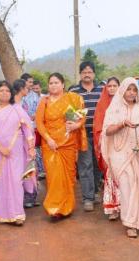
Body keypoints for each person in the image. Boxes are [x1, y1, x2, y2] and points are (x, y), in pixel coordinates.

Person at [101, 78, 139, 237]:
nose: (131, 92)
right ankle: (130, 223)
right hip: (119, 154)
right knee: (126, 186)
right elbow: (107, 131)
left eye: (134, 89)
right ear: (122, 90)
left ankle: (136, 220)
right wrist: (122, 124)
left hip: (137, 152)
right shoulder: (114, 109)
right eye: (129, 89)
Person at [0, 80, 35, 225]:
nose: (5, 93)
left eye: (7, 91)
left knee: (16, 181)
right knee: (3, 181)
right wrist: (0, 147)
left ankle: (18, 214)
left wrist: (30, 146)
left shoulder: (17, 108)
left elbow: (28, 128)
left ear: (11, 93)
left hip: (16, 151)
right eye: (1, 91)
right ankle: (4, 215)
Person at [36, 73, 87, 218]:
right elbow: (39, 123)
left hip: (68, 143)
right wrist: (48, 139)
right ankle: (54, 208)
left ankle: (67, 207)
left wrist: (76, 125)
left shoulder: (72, 98)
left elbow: (81, 117)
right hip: (50, 145)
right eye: (51, 83)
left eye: (56, 82)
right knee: (53, 178)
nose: (53, 85)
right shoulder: (44, 102)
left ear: (63, 84)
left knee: (69, 176)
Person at [69, 61, 103, 211]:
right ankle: (87, 198)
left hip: (100, 135)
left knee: (97, 165)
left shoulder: (102, 89)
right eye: (84, 72)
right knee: (85, 165)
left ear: (94, 74)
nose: (87, 74)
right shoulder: (73, 91)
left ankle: (96, 192)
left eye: (89, 72)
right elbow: (70, 114)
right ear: (80, 74)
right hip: (82, 134)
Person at [93, 77, 121, 220]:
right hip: (107, 144)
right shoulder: (102, 104)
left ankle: (125, 205)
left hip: (123, 145)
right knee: (110, 175)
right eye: (109, 86)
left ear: (119, 87)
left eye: (114, 85)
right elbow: (98, 124)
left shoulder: (126, 103)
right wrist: (99, 140)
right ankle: (113, 207)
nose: (111, 88)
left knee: (124, 175)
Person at [14, 79, 39, 208]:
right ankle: (27, 196)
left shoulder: (20, 104)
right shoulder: (14, 106)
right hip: (20, 143)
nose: (28, 88)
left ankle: (30, 196)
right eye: (26, 86)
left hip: (27, 142)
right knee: (24, 168)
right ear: (22, 89)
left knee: (28, 167)